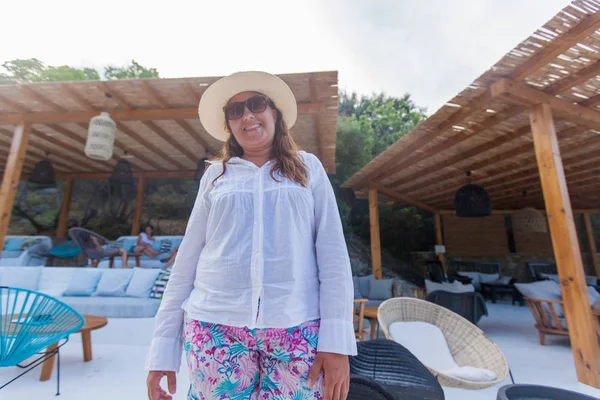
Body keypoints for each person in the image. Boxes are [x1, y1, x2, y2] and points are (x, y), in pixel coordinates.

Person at [145, 71, 356, 400]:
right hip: (214, 326)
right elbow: (187, 260)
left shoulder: (308, 168)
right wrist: (162, 353)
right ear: (229, 124)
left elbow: (332, 257)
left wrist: (337, 342)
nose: (247, 115)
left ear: (274, 113)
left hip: (296, 326)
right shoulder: (215, 176)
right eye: (235, 110)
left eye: (257, 104)